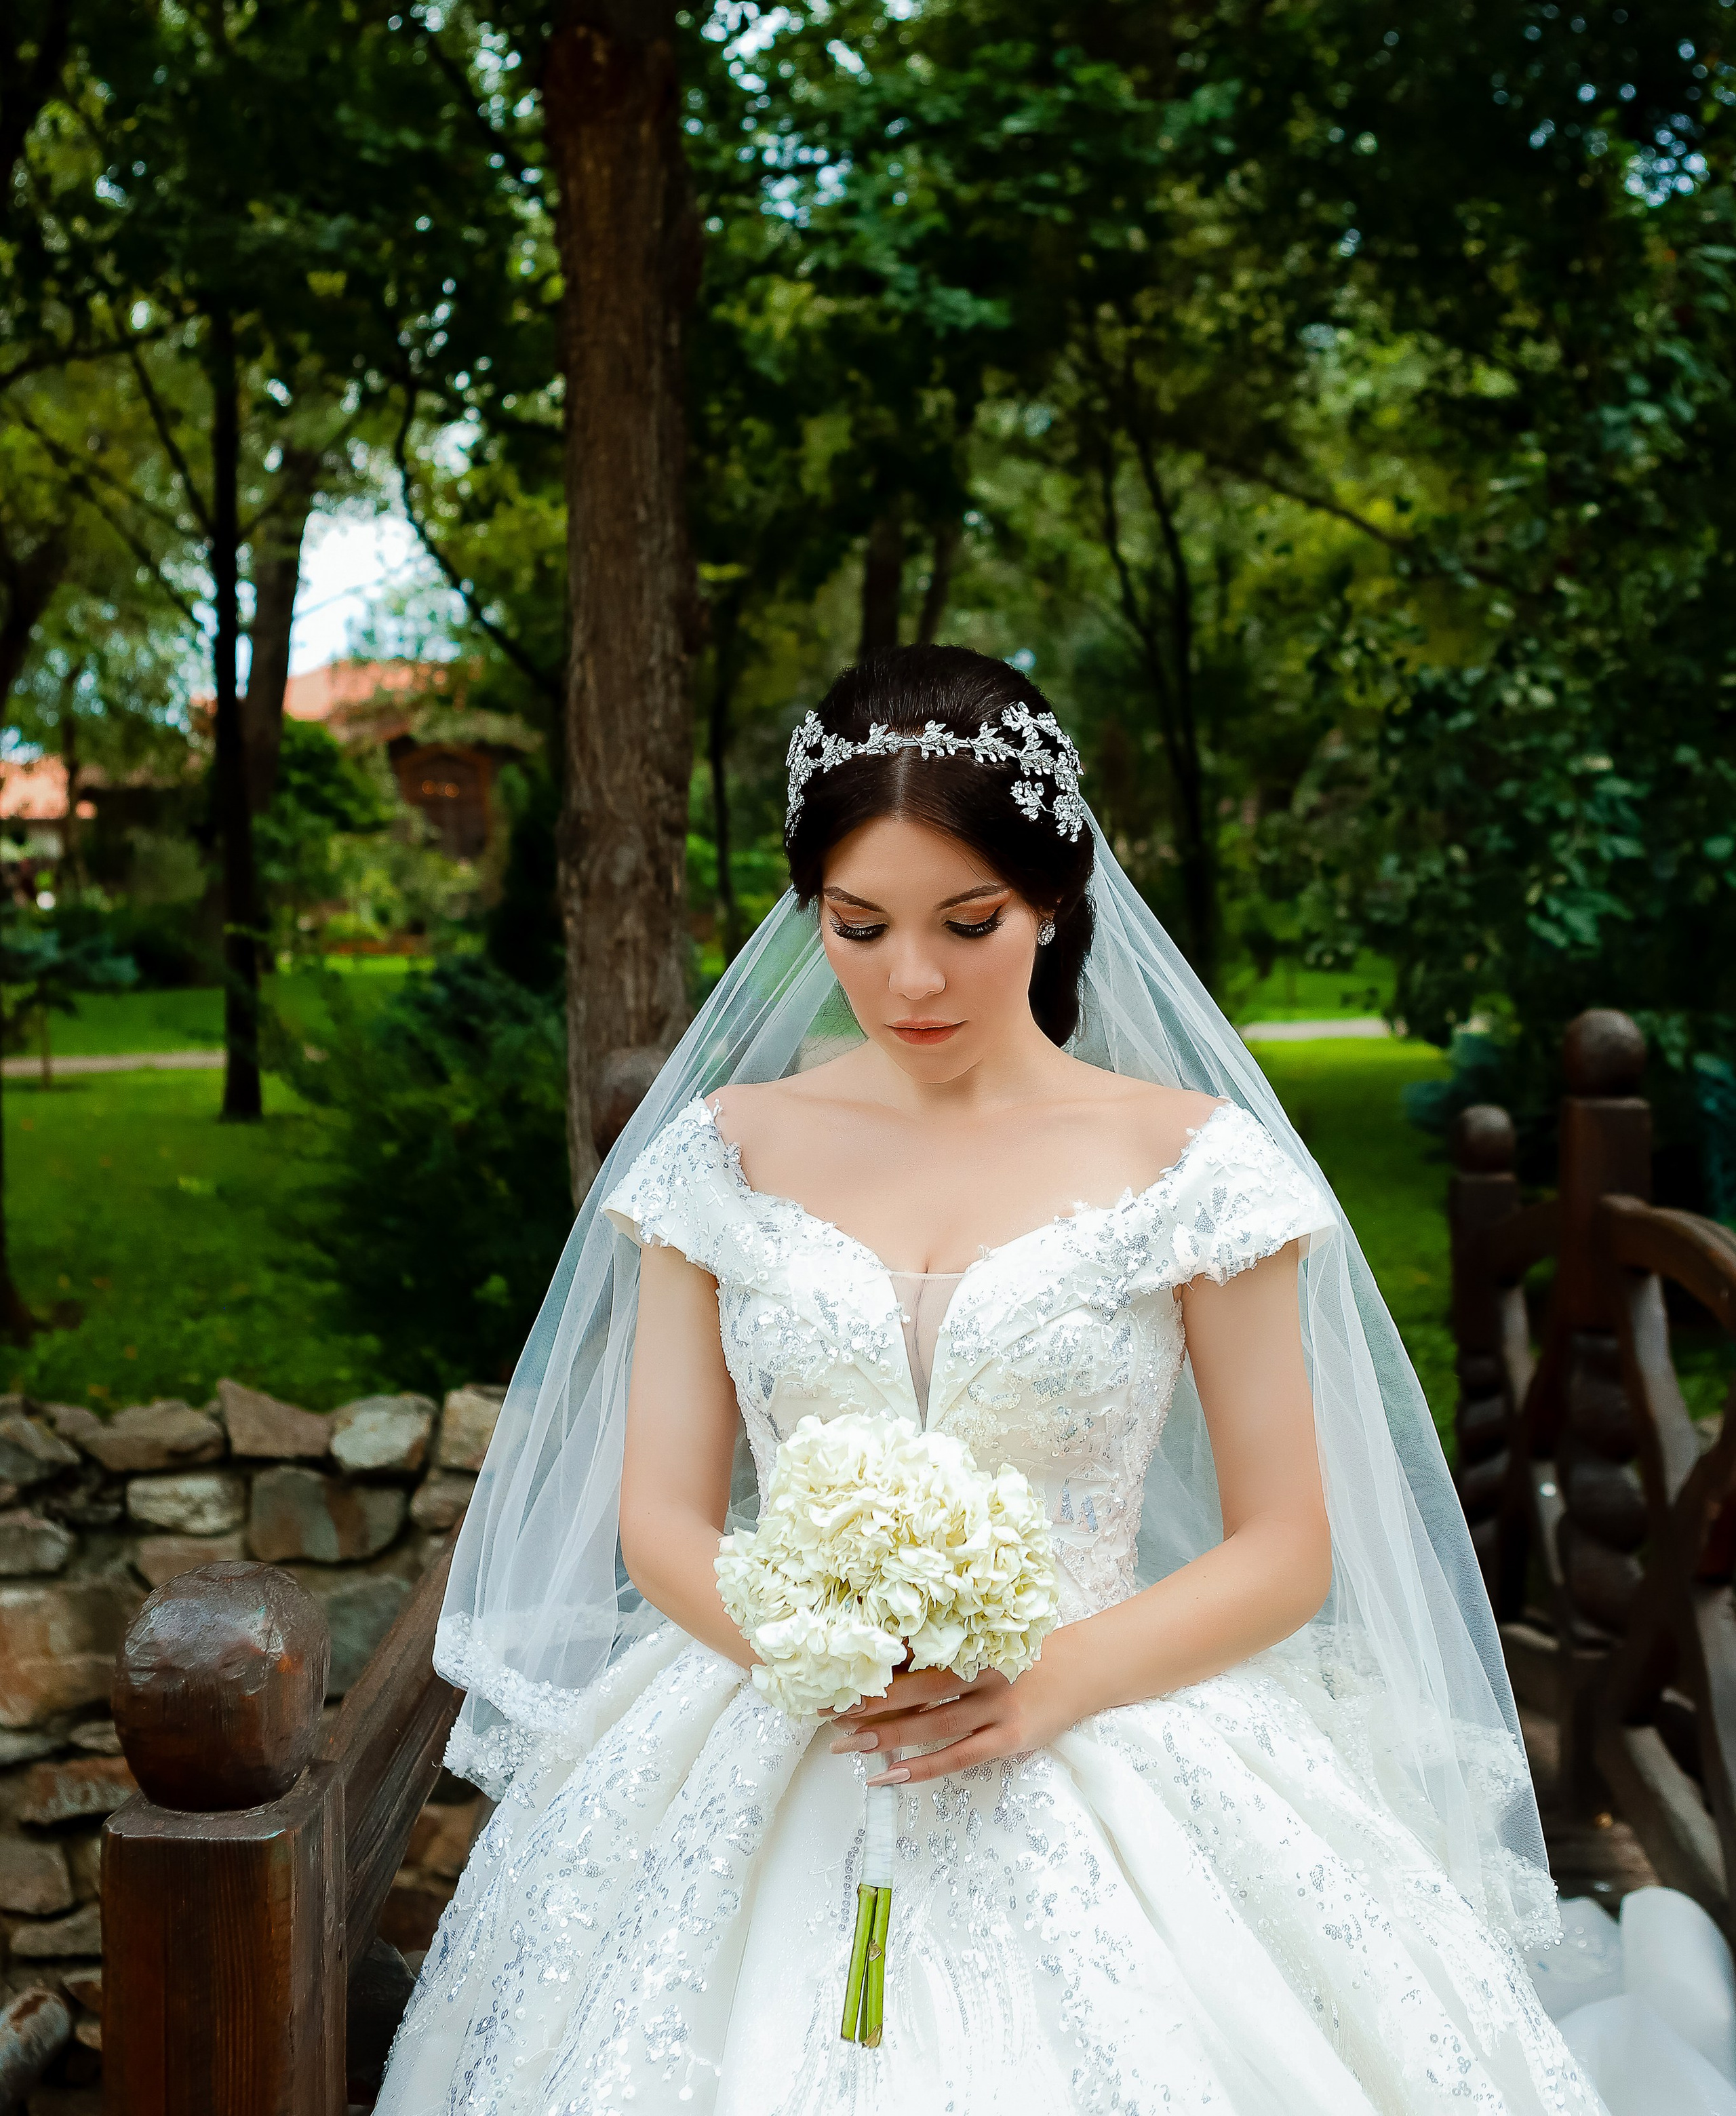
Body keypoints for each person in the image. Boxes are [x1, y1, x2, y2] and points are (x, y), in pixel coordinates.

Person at [376, 646, 1641, 2115]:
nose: (907, 979)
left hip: (1104, 1716)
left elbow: (1287, 1545)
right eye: (856, 926)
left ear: (1049, 897)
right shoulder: (720, 1154)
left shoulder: (1189, 1166)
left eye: (964, 923)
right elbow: (657, 1518)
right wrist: (825, 1650)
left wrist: (1039, 1685)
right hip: (774, 1708)